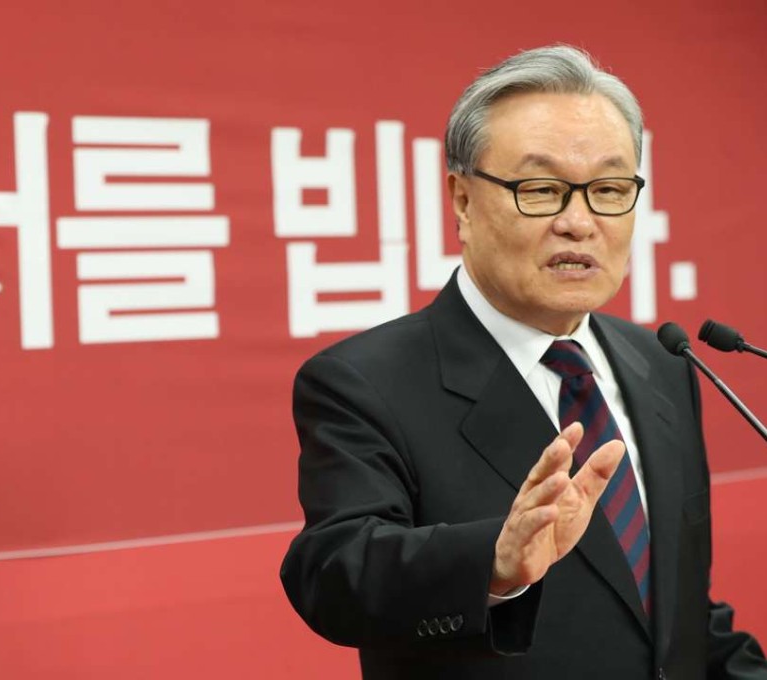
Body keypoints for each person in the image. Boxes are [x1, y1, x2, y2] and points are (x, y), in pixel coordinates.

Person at [280, 45, 767, 679]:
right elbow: (332, 574)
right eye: (541, 190)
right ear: (462, 201)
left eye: (609, 189)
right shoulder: (365, 382)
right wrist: (494, 564)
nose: (579, 223)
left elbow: (675, 613)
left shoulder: (663, 364)